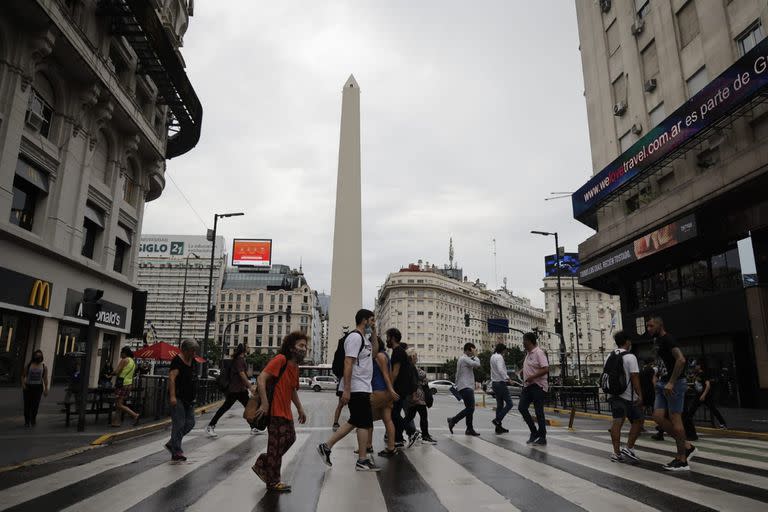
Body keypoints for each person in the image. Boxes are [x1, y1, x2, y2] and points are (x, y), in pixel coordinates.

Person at [317, 309, 381, 471]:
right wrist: (346, 389)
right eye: (372, 321)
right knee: (363, 422)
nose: (374, 323)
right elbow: (348, 362)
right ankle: (362, 460)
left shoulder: (364, 339)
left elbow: (374, 352)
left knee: (357, 421)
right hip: (356, 387)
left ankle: (327, 446)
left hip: (363, 387)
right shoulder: (354, 337)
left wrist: (373, 333)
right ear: (364, 320)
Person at [252, 332, 308, 493]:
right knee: (276, 448)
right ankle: (273, 481)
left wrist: (299, 408)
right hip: (275, 412)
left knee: (290, 439)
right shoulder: (280, 360)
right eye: (301, 346)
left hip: (286, 413)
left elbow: (292, 390)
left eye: (305, 346)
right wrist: (264, 403)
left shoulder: (295, 366)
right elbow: (261, 378)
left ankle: (263, 463)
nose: (304, 349)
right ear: (291, 348)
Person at [648, 316, 696, 471]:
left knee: (676, 420)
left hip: (673, 384)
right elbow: (662, 362)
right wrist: (657, 376)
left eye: (651, 326)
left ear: (659, 325)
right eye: (647, 326)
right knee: (658, 417)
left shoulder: (668, 339)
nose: (648, 329)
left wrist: (672, 381)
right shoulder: (658, 341)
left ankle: (682, 460)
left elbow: (681, 360)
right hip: (662, 384)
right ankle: (686, 446)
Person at [206, 344, 260, 437]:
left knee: (248, 408)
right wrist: (250, 386)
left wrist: (247, 386)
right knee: (225, 408)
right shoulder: (239, 360)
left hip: (240, 390)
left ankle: (253, 427)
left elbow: (242, 375)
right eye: (247, 347)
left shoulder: (240, 359)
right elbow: (242, 374)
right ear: (243, 350)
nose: (249, 348)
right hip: (235, 390)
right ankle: (210, 426)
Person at [606, 331, 643, 463]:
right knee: (638, 421)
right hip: (628, 397)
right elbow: (635, 377)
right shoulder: (630, 357)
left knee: (617, 422)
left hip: (613, 395)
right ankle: (629, 447)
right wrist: (640, 395)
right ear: (627, 341)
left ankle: (616, 453)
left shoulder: (610, 356)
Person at [166, 338, 198, 462]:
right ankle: (176, 452)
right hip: (178, 397)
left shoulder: (193, 360)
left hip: (189, 398)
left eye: (195, 350)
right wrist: (172, 396)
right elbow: (172, 378)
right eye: (192, 350)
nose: (194, 353)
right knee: (179, 424)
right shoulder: (177, 360)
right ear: (184, 350)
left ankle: (172, 443)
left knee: (190, 423)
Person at [388, 327, 420, 448]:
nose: (387, 340)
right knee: (394, 413)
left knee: (394, 414)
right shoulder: (400, 351)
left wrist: (389, 388)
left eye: (388, 337)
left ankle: (411, 431)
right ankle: (403, 436)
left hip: (399, 389)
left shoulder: (397, 351)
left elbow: (395, 372)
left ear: (393, 338)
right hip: (403, 388)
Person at [518, 332, 549, 445]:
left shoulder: (538, 353)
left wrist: (532, 377)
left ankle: (542, 437)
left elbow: (545, 369)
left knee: (539, 412)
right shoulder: (528, 353)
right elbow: (530, 366)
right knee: (522, 408)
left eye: (524, 340)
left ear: (529, 341)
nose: (523, 343)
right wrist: (522, 371)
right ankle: (534, 431)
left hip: (538, 386)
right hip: (528, 386)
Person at [447, 342, 481, 436]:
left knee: (469, 409)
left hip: (464, 386)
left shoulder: (463, 359)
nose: (473, 352)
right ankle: (453, 420)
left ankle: (469, 429)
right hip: (466, 387)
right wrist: (476, 355)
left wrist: (457, 385)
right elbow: (477, 365)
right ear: (468, 350)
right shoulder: (464, 359)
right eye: (473, 350)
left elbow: (458, 374)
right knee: (471, 408)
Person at [403, 349, 436, 444]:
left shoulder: (409, 366)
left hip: (415, 394)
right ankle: (425, 435)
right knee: (423, 416)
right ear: (412, 357)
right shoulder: (411, 367)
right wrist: (424, 379)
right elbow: (421, 375)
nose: (417, 357)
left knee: (410, 416)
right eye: (416, 356)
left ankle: (397, 431)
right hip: (417, 395)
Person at [685, 364, 727, 429]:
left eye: (696, 366)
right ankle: (687, 424)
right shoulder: (697, 375)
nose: (694, 368)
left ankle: (723, 424)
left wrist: (703, 395)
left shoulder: (703, 374)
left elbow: (708, 385)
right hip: (699, 395)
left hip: (706, 396)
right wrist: (690, 387)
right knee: (692, 409)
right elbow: (698, 385)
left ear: (699, 366)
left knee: (713, 409)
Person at [111, 347, 140, 427]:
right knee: (119, 404)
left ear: (124, 353)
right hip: (129, 384)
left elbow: (117, 371)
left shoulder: (124, 360)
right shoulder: (133, 362)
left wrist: (110, 374)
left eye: (121, 352)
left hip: (122, 384)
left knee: (119, 404)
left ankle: (135, 415)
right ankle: (116, 422)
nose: (120, 354)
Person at [490, 342, 513, 434]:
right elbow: (500, 369)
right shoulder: (499, 357)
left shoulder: (492, 357)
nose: (505, 353)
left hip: (494, 383)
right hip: (500, 383)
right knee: (510, 404)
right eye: (505, 351)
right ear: (503, 350)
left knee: (500, 405)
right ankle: (497, 420)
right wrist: (507, 378)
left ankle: (498, 427)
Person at [21, 349, 48, 427]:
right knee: (27, 405)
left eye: (40, 356)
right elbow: (23, 376)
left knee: (35, 405)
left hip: (38, 388)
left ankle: (33, 419)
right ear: (34, 356)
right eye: (37, 356)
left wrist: (46, 389)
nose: (38, 357)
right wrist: (23, 384)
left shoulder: (43, 367)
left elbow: (45, 378)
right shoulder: (29, 365)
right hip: (28, 387)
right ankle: (27, 421)